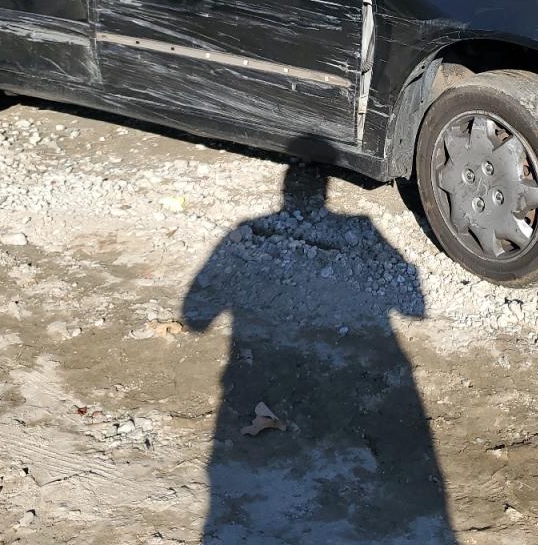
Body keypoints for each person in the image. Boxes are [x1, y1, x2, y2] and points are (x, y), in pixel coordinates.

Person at [181, 159, 457, 543]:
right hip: (364, 373)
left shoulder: (243, 233)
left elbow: (194, 318)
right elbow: (416, 305)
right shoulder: (362, 228)